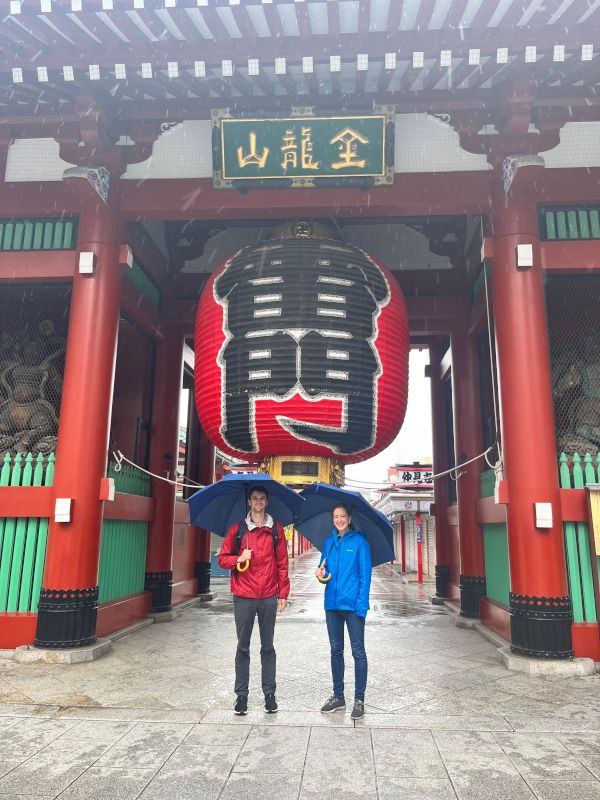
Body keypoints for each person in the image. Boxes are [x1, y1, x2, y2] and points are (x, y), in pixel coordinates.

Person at [217, 485, 289, 716]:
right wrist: (239, 558)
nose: (258, 501)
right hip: (244, 596)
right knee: (243, 647)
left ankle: (269, 694)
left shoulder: (276, 530)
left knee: (268, 647)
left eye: (262, 498)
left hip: (268, 595)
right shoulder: (237, 530)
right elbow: (222, 559)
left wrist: (283, 593)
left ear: (266, 502)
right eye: (255, 498)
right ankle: (241, 697)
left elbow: (282, 564)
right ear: (249, 502)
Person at [315, 503, 372, 721]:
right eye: (335, 517)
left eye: (342, 516)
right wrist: (320, 573)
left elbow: (365, 577)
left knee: (358, 652)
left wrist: (361, 607)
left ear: (349, 519)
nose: (339, 520)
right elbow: (324, 574)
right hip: (332, 605)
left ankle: (359, 699)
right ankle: (338, 696)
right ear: (333, 520)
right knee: (335, 650)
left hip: (353, 607)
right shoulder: (329, 544)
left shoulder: (360, 543)